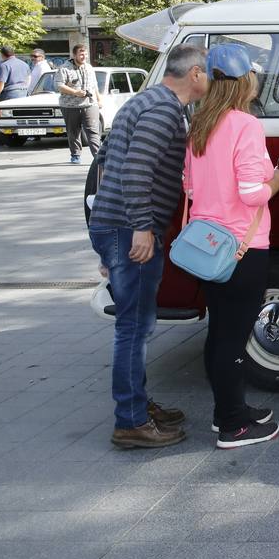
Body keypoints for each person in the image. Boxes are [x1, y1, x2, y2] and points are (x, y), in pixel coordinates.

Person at [89, 43, 210, 449]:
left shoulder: (142, 102)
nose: (210, 81)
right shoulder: (163, 111)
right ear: (194, 74)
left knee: (134, 323)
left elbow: (104, 161)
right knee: (134, 327)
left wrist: (107, 238)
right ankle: (131, 421)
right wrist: (140, 227)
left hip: (114, 226)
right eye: (208, 73)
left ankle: (137, 404)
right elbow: (136, 169)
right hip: (129, 229)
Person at [183, 44, 279, 449]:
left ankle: (227, 409)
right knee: (233, 337)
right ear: (247, 80)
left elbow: (190, 188)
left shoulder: (199, 124)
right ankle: (233, 426)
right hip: (243, 246)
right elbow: (250, 193)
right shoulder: (245, 125)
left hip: (207, 245)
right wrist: (278, 180)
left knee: (220, 332)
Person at [56, 44, 102, 165]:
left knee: (93, 131)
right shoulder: (64, 68)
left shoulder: (89, 67)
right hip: (70, 106)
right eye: (81, 54)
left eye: (85, 54)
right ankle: (75, 155)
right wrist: (75, 92)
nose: (84, 56)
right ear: (74, 55)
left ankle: (98, 156)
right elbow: (59, 86)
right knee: (73, 132)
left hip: (90, 104)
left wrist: (99, 100)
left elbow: (95, 85)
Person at [0, 46, 31, 146]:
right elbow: (29, 79)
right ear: (14, 53)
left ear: (2, 54)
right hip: (23, 93)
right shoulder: (24, 64)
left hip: (8, 94)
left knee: (0, 118)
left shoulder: (4, 65)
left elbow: (1, 82)